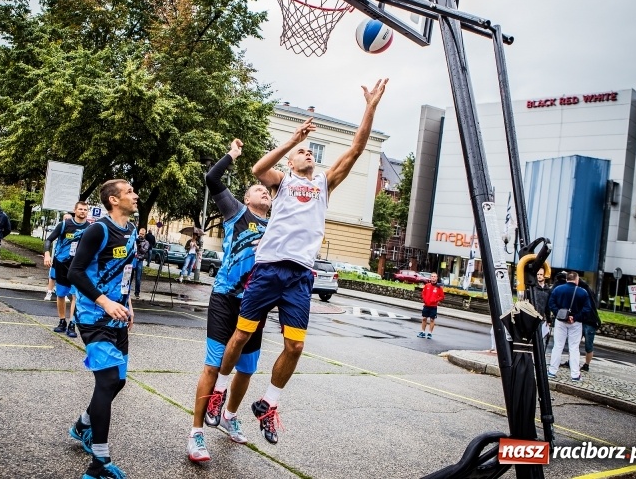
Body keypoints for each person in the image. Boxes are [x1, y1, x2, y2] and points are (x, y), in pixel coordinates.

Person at [212, 78, 389, 445]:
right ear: (292, 161)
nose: (309, 155)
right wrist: (292, 141)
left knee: (295, 346)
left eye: (311, 152)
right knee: (242, 335)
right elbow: (259, 169)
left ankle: (268, 403)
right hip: (269, 269)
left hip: (299, 276)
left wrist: (370, 107)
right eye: (303, 153)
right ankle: (220, 390)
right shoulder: (282, 181)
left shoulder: (324, 183)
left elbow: (356, 150)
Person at [188, 138, 271, 462]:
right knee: (214, 365)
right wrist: (233, 154)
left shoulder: (277, 225)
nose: (264, 192)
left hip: (257, 303)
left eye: (266, 191)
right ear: (246, 198)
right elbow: (212, 180)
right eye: (258, 190)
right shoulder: (237, 213)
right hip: (226, 298)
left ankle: (229, 414)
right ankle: (196, 434)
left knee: (247, 369)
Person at [67, 179, 138, 479]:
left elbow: (126, 272)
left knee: (117, 381)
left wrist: (128, 304)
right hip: (94, 317)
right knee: (107, 381)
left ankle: (83, 425)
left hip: (118, 316)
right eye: (130, 192)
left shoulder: (132, 231)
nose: (135, 196)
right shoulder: (99, 230)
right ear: (113, 199)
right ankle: (99, 464)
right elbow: (75, 271)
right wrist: (104, 302)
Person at [44, 204, 89, 337]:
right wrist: (47, 254)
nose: (83, 212)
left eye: (85, 210)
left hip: (78, 266)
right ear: (75, 210)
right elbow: (49, 239)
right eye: (80, 209)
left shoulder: (90, 228)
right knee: (61, 294)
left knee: (76, 296)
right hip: (61, 264)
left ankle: (72, 324)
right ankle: (62, 321)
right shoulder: (64, 225)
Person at [547, 271, 592, 382]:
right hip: (575, 323)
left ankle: (552, 371)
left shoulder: (558, 289)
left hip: (560, 321)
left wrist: (560, 314)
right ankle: (575, 375)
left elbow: (551, 303)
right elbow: (587, 309)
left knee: (558, 346)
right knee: (574, 348)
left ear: (567, 279)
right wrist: (575, 317)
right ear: (577, 280)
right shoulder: (583, 292)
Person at [45, 213, 73, 301]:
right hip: (59, 257)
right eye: (66, 219)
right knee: (53, 276)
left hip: (71, 259)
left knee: (67, 277)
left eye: (69, 219)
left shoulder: (75, 229)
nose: (67, 220)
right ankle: (49, 292)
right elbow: (49, 239)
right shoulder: (61, 227)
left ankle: (64, 294)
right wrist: (47, 254)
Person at [417, 272, 444, 339]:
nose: (433, 278)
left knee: (432, 320)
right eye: (432, 276)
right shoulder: (427, 285)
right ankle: (422, 332)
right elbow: (423, 293)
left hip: (433, 306)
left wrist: (436, 300)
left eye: (434, 276)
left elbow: (442, 296)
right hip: (426, 305)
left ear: (437, 278)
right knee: (424, 318)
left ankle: (429, 333)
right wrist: (424, 299)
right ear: (430, 277)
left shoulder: (439, 287)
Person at [132, 228, 150, 299]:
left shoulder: (146, 242)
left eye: (142, 234)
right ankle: (126, 291)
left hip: (139, 260)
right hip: (133, 259)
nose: (141, 235)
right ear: (138, 233)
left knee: (138, 278)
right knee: (129, 276)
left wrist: (139, 244)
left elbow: (143, 251)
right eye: (140, 234)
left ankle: (137, 292)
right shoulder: (134, 239)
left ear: (145, 234)